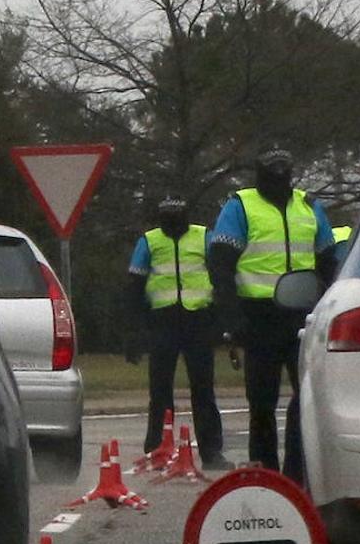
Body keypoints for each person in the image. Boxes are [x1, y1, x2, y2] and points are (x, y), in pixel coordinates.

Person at [208, 146, 338, 482]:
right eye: (273, 170)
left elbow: (327, 260)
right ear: (260, 173)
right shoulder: (240, 207)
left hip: (303, 317)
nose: (280, 177)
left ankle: (298, 473)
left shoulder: (308, 206)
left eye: (285, 170)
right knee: (262, 404)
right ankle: (265, 475)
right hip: (258, 317)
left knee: (305, 399)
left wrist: (327, 302)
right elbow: (221, 265)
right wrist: (231, 319)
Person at [125, 196, 229, 469]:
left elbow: (219, 277)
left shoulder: (204, 236)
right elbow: (135, 285)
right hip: (163, 321)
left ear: (186, 216)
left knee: (203, 389)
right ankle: (156, 449)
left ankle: (211, 452)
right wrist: (135, 330)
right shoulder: (149, 241)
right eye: (167, 217)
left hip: (198, 320)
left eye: (177, 216)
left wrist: (221, 319)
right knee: (160, 391)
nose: (172, 222)